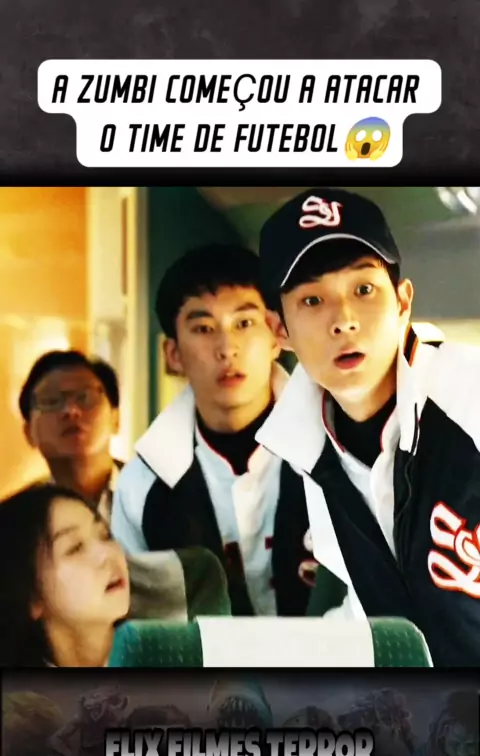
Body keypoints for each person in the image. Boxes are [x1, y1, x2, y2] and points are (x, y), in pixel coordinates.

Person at [256, 187, 480, 666]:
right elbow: (372, 612)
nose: (344, 320)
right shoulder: (308, 450)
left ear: (402, 302)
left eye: (363, 290)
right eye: (312, 299)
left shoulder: (469, 399)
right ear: (280, 331)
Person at [112, 243, 313, 617]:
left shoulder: (335, 449)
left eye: (244, 323)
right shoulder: (143, 485)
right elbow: (139, 623)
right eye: (203, 328)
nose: (227, 348)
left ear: (277, 335)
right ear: (173, 354)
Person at [0, 483, 229, 668]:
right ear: (31, 597)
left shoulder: (175, 652)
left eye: (105, 535)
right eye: (75, 548)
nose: (106, 554)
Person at [19, 350, 122, 523]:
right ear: (29, 432)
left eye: (84, 397)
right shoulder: (14, 522)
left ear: (116, 419)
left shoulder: (163, 498)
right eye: (51, 401)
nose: (70, 411)